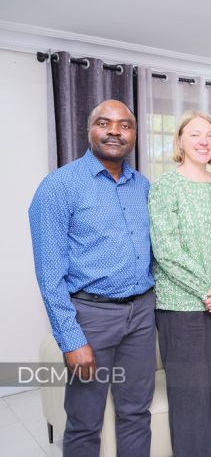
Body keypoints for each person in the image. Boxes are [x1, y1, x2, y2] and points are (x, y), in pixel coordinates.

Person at [28, 99, 156, 457]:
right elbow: (49, 273)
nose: (115, 131)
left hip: (142, 314)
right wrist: (71, 340)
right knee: (85, 421)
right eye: (105, 123)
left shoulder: (142, 186)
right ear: (89, 130)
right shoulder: (59, 186)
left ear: (133, 134)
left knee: (136, 413)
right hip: (91, 317)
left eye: (124, 125)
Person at [149, 111, 211, 456]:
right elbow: (166, 250)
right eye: (195, 135)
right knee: (193, 398)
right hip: (184, 311)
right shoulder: (164, 187)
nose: (203, 141)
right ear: (179, 141)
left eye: (209, 134)